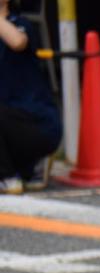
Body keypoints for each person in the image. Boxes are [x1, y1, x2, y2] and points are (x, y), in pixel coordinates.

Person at [0, 0, 61, 194]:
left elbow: (18, 42)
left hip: (36, 124)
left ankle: (7, 176)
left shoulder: (20, 23)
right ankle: (27, 168)